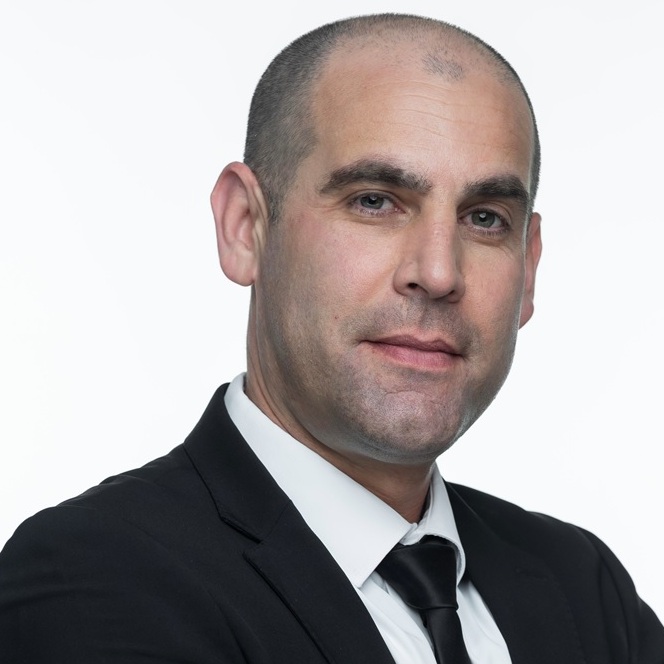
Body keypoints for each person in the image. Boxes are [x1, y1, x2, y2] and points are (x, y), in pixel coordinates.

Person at [1, 12, 662, 664]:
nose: (438, 272)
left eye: (485, 218)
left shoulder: (584, 592)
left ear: (528, 269)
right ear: (245, 227)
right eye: (374, 200)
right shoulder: (94, 580)